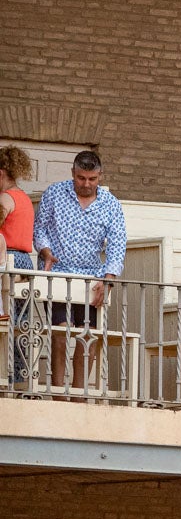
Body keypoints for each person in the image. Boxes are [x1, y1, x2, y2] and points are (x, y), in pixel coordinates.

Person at [32, 150, 127, 391]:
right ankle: (58, 393)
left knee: (89, 337)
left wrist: (108, 278)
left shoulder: (111, 204)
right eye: (81, 178)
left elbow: (117, 244)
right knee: (60, 334)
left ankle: (78, 393)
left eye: (92, 179)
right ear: (73, 173)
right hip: (59, 273)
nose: (86, 184)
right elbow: (39, 228)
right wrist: (44, 251)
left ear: (100, 176)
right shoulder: (54, 193)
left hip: (92, 277)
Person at [0, 145, 35, 332]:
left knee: (5, 320)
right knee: (20, 322)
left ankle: (5, 361)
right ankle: (19, 362)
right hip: (25, 262)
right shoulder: (23, 198)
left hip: (9, 261)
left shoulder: (5, 198)